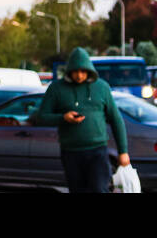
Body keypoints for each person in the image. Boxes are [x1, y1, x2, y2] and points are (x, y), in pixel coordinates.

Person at [31, 46, 131, 193]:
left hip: (98, 151)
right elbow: (41, 117)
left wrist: (123, 151)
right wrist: (63, 118)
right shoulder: (56, 88)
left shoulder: (101, 87)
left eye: (83, 71)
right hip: (71, 152)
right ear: (69, 70)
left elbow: (116, 119)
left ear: (89, 70)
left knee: (99, 189)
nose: (79, 75)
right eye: (76, 71)